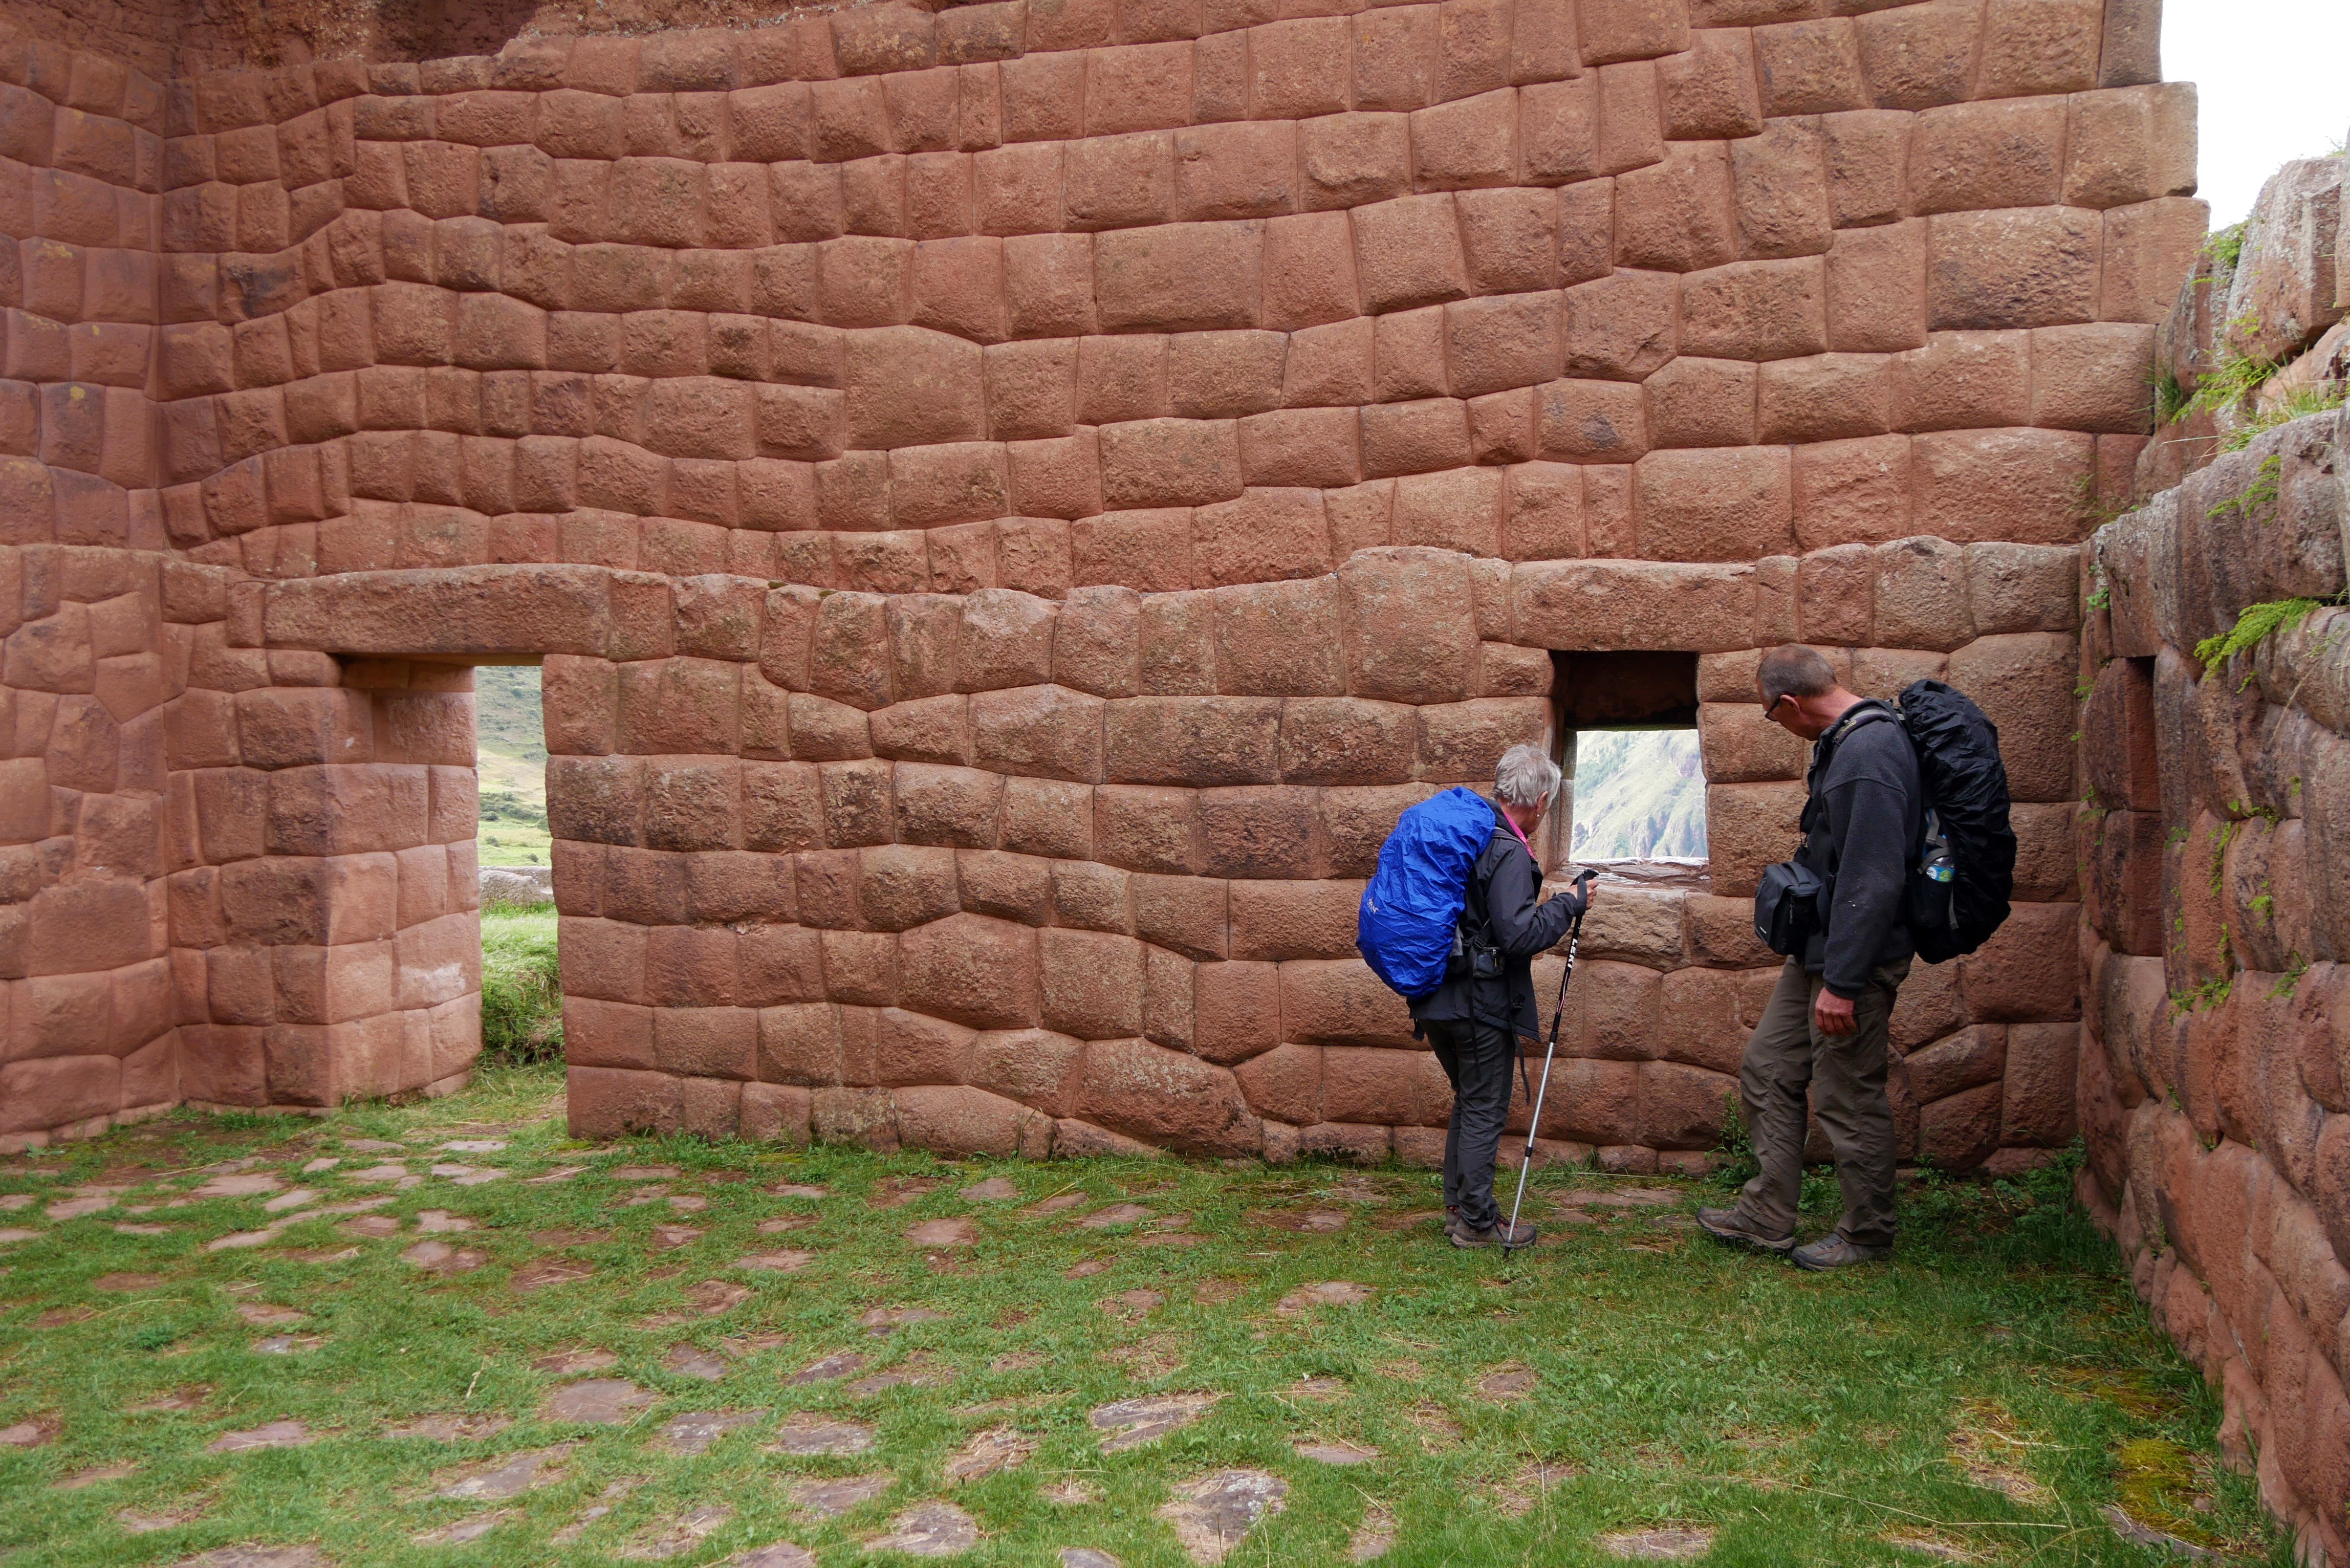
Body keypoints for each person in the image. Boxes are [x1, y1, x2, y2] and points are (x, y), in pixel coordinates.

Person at [1699, 646, 1923, 1270]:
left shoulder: (1867, 756)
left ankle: (1867, 1233)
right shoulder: (1845, 743)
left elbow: (1872, 880)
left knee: (1847, 1094)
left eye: (1772, 717)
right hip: (1819, 951)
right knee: (1768, 1066)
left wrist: (1845, 984)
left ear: (1790, 704)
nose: (1779, 727)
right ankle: (1767, 1214)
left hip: (1854, 962)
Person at [1408, 743, 1593, 1250]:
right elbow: (1517, 936)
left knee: (1468, 1100)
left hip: (1435, 996)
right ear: (1537, 800)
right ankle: (1476, 1222)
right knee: (1485, 1107)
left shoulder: (1465, 836)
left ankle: (1457, 1209)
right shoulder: (1507, 850)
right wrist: (1568, 906)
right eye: (1547, 806)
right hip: (1478, 1003)